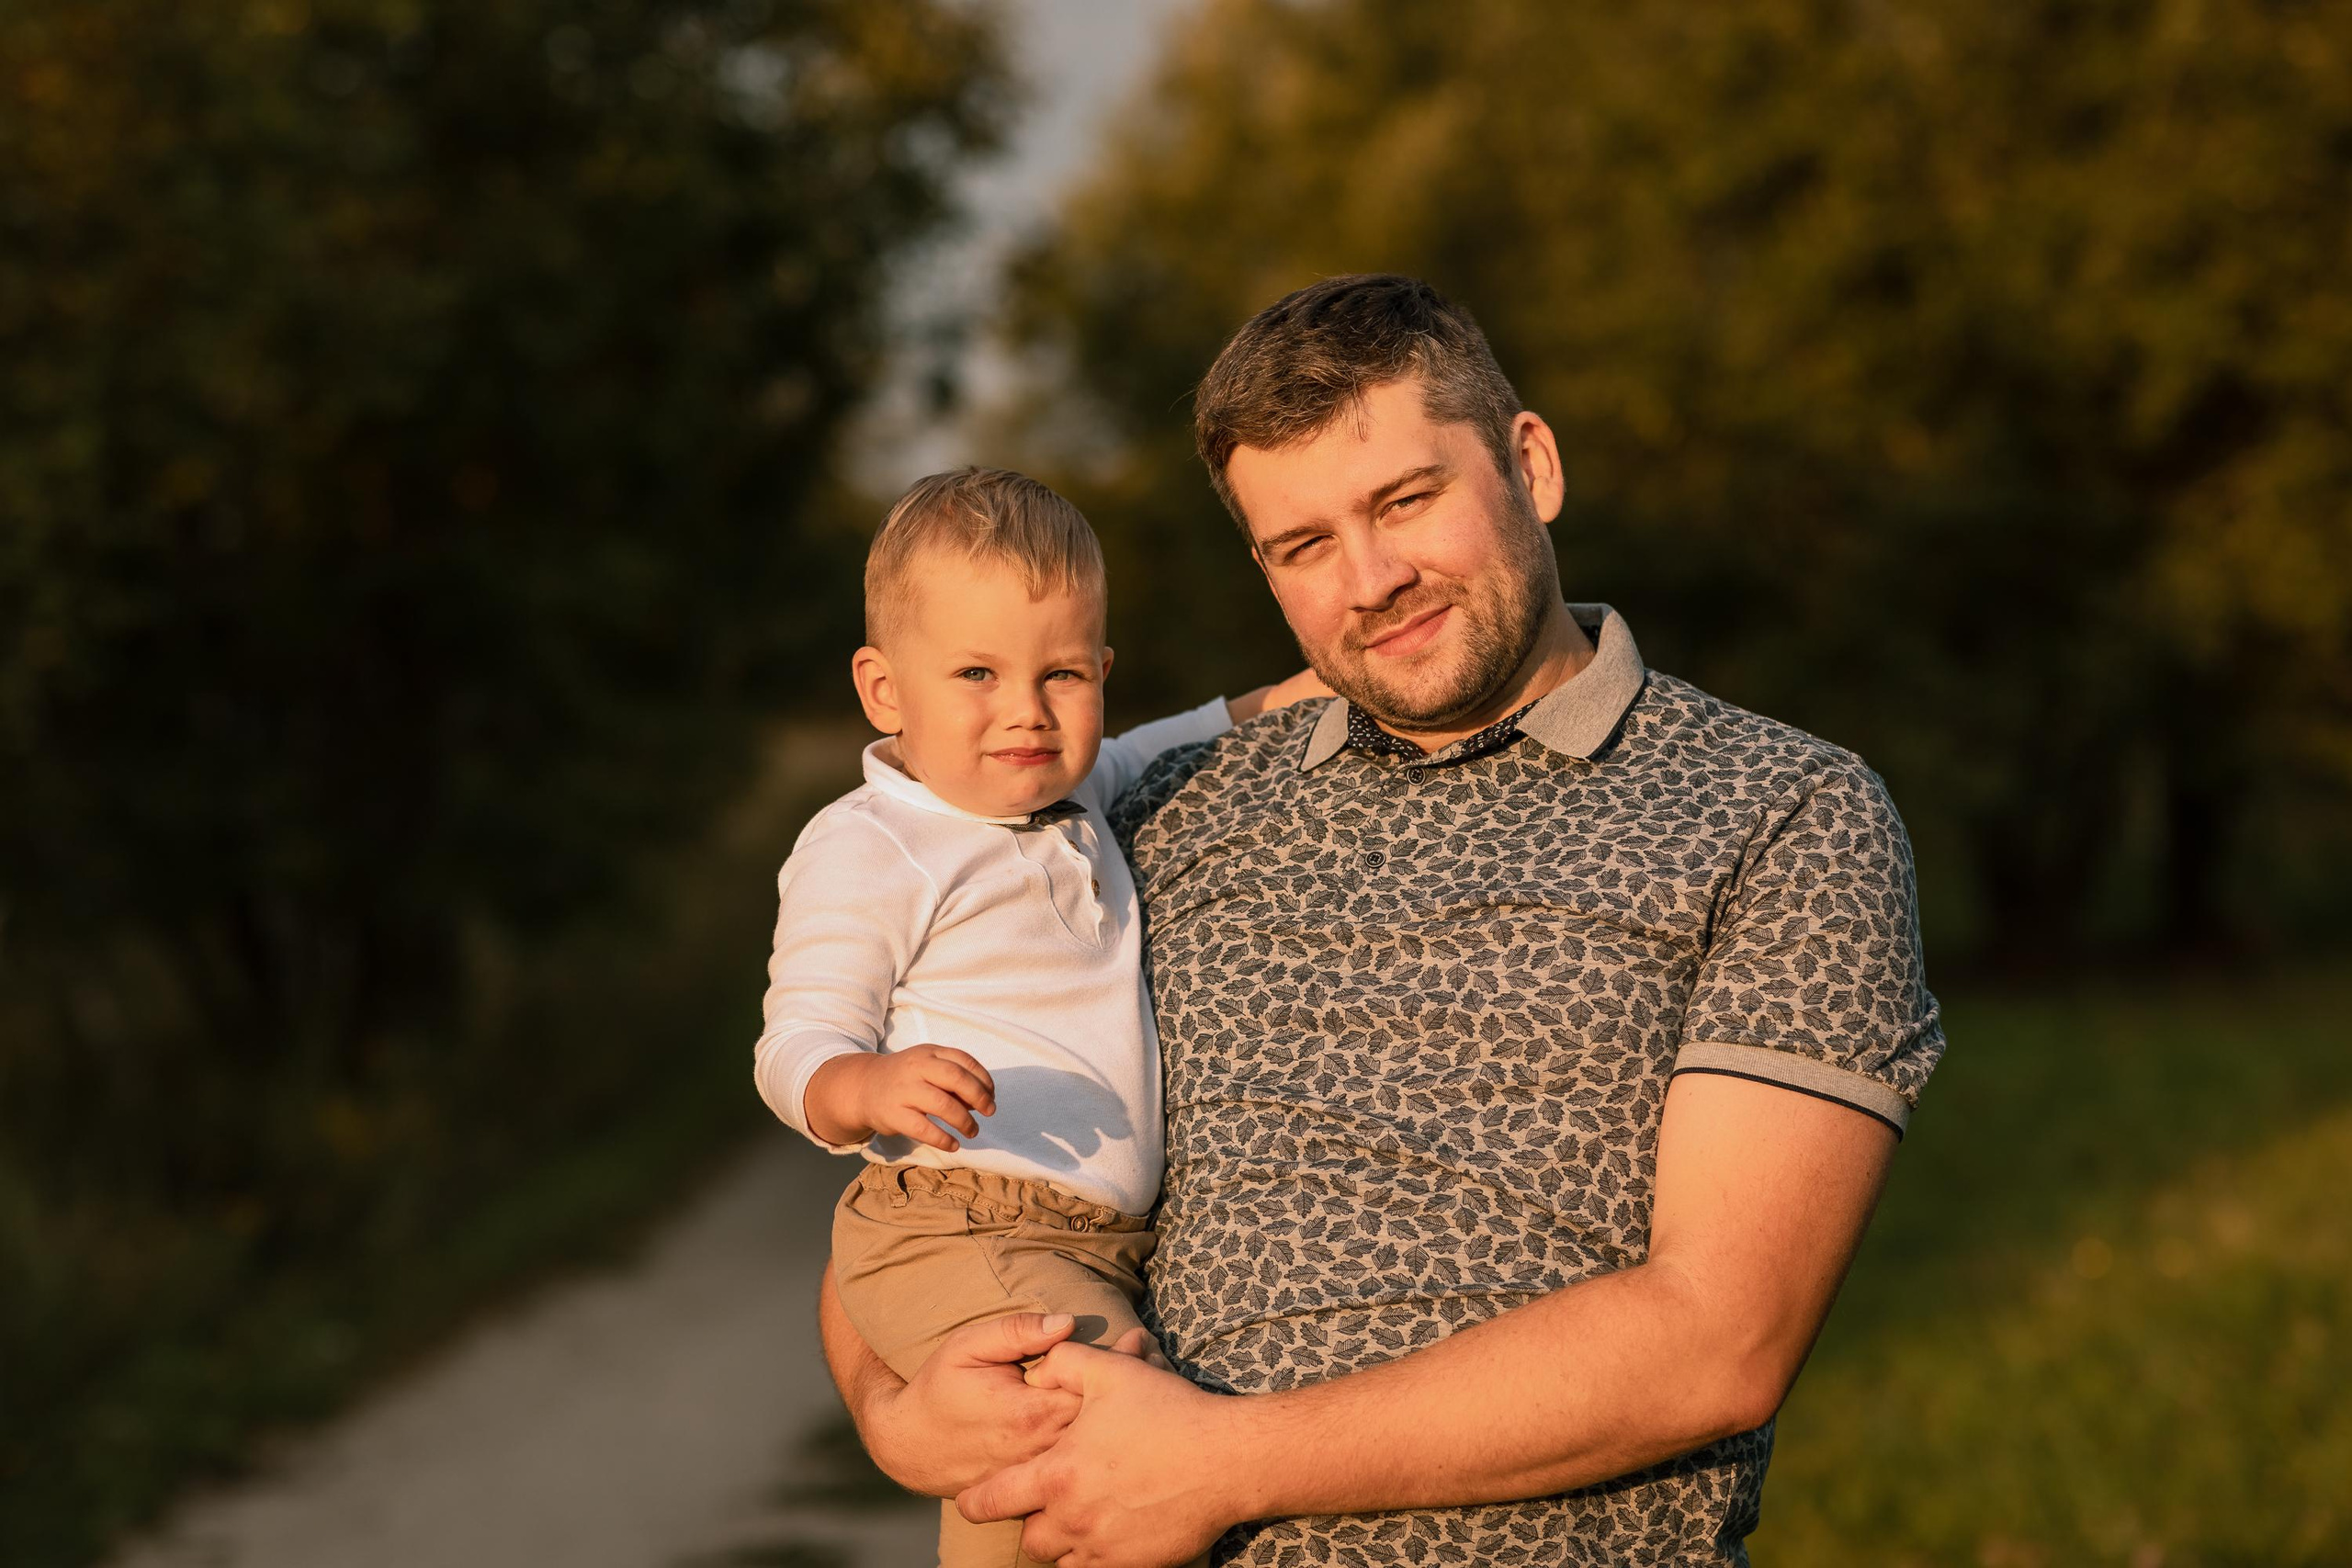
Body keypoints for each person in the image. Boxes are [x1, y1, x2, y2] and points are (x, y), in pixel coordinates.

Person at [817, 276, 1947, 1566]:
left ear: (1531, 464)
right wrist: (895, 1412)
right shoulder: (1159, 811)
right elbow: (924, 1201)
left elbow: (1721, 1339)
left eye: (1406, 500)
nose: (1373, 579)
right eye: (1304, 546)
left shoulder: (1778, 811)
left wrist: (1218, 1462)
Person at [752, 466, 1318, 1568]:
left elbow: (1188, 735)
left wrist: (1313, 688)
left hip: (1085, 1239)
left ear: (1101, 672)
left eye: (1061, 673)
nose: (1025, 709)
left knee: (1018, 1467)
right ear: (883, 690)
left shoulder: (1080, 795)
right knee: (1097, 1423)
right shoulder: (873, 842)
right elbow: (795, 1040)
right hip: (963, 1218)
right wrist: (864, 1086)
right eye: (977, 672)